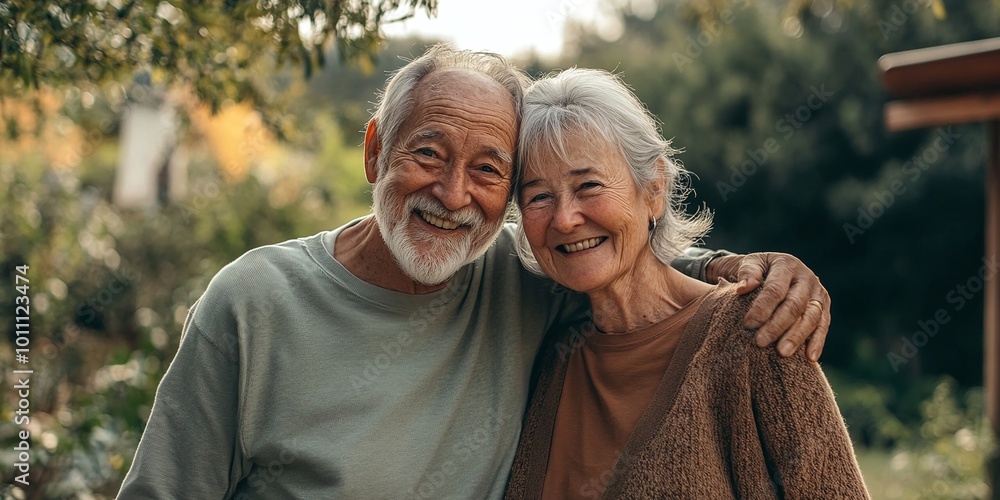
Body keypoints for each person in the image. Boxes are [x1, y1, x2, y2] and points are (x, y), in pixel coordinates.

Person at [118, 46, 834, 499]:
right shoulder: (253, 303)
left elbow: (617, 261)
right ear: (375, 154)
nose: (454, 194)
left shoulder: (527, 281)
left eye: (489, 170)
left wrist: (736, 267)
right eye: (428, 154)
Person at [503, 68, 867, 499]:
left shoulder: (758, 330)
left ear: (654, 189)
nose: (564, 218)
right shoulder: (553, 357)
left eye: (589, 185)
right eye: (539, 196)